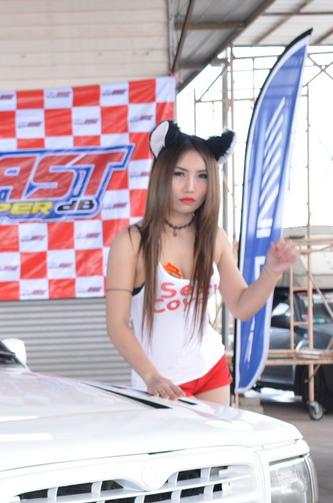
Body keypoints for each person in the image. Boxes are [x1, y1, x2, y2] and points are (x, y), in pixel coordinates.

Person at [104, 120, 300, 405]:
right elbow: (117, 324)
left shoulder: (214, 238)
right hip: (161, 381)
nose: (190, 187)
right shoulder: (132, 242)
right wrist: (151, 376)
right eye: (179, 174)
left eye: (202, 176)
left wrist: (272, 272)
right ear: (161, 174)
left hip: (211, 369)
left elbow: (242, 307)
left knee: (217, 436)